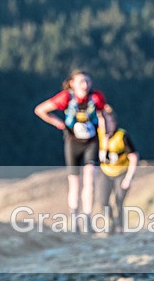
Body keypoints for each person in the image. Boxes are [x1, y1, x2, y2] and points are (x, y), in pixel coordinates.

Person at [34, 70, 110, 232]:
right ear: (72, 84)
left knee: (90, 180)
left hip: (92, 141)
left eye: (88, 81)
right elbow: (40, 110)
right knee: (74, 183)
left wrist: (106, 139)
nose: (86, 85)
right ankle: (74, 219)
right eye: (82, 81)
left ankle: (87, 219)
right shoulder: (65, 98)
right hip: (72, 142)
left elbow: (103, 116)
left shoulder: (96, 98)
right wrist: (60, 124)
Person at [98, 126, 138, 233]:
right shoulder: (99, 133)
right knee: (103, 200)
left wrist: (129, 178)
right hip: (105, 172)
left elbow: (134, 156)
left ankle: (121, 227)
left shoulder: (122, 135)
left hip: (122, 172)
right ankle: (112, 222)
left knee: (119, 200)